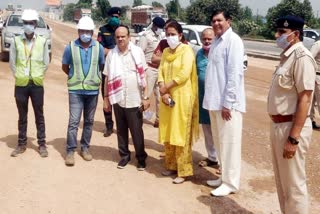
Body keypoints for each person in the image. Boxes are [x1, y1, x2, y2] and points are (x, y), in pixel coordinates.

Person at [268, 15, 316, 213]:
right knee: (283, 183)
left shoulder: (302, 57)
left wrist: (293, 139)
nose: (277, 35)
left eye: (282, 32)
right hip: (279, 125)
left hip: (291, 127)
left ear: (295, 35)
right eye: (277, 31)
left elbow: (305, 98)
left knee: (294, 185)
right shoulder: (287, 56)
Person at [203, 10, 245, 196]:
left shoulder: (233, 41)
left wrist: (228, 103)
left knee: (230, 143)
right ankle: (223, 178)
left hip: (228, 105)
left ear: (228, 21)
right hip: (214, 102)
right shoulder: (217, 42)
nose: (216, 23)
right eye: (213, 21)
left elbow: (235, 74)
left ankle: (231, 183)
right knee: (220, 143)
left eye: (219, 20)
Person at [103, 26, 149, 171]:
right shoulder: (112, 55)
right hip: (118, 98)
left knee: (137, 131)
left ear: (129, 37)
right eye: (117, 37)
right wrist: (106, 98)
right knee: (121, 130)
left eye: (123, 36)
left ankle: (141, 158)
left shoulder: (137, 52)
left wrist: (146, 97)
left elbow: (144, 75)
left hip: (135, 99)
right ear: (114, 38)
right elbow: (107, 77)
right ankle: (124, 156)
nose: (120, 39)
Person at [158, 21, 199, 184]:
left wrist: (166, 87)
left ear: (180, 35)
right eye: (167, 34)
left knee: (180, 133)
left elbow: (183, 74)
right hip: (167, 97)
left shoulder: (186, 50)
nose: (170, 37)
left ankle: (183, 171)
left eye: (173, 34)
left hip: (182, 98)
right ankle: (171, 166)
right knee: (169, 131)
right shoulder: (166, 51)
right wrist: (162, 87)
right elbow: (160, 69)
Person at [62, 16, 105, 166]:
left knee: (89, 121)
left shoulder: (98, 48)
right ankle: (70, 150)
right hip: (75, 90)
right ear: (78, 31)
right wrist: (75, 76)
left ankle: (85, 148)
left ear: (92, 32)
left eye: (88, 31)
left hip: (92, 91)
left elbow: (101, 65)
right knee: (74, 121)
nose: (85, 33)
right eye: (83, 31)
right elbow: (65, 66)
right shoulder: (70, 47)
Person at [9, 9, 49, 157]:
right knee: (22, 116)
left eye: (31, 23)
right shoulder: (16, 41)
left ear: (35, 24)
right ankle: (21, 144)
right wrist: (19, 75)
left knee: (39, 115)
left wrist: (38, 75)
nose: (28, 26)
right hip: (21, 84)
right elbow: (12, 62)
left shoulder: (42, 41)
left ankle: (42, 144)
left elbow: (46, 62)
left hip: (37, 84)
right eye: (25, 23)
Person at [196, 28, 218, 168]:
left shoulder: (218, 52)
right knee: (207, 130)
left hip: (217, 100)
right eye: (204, 38)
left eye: (210, 38)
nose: (207, 41)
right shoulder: (198, 53)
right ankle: (212, 157)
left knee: (219, 131)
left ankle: (223, 162)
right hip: (203, 98)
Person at [97, 6, 121, 137]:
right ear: (109, 17)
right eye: (112, 17)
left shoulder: (123, 29)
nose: (115, 19)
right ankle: (109, 126)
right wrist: (113, 52)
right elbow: (100, 48)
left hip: (120, 69)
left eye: (117, 17)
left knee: (119, 99)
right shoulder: (103, 29)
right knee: (106, 97)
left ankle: (121, 126)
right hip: (107, 69)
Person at [138, 17, 165, 128]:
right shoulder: (146, 36)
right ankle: (138, 117)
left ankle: (158, 119)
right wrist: (142, 71)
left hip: (159, 69)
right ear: (154, 26)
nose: (160, 29)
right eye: (159, 27)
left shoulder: (160, 36)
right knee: (145, 95)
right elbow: (140, 53)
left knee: (159, 95)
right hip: (149, 69)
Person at [310, 40, 320, 130]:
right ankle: (310, 121)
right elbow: (310, 59)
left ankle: (310, 121)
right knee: (312, 101)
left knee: (312, 100)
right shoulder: (318, 44)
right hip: (317, 76)